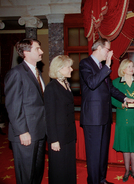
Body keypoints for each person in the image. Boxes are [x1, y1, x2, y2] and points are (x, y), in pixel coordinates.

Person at [79, 38, 134, 184]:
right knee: (94, 154)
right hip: (93, 118)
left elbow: (110, 89)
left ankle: (101, 179)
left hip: (104, 117)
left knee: (102, 153)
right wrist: (107, 66)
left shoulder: (100, 66)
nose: (110, 53)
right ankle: (93, 181)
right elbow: (92, 83)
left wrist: (126, 99)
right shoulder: (85, 63)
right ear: (99, 48)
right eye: (108, 50)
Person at [4, 38, 46, 184]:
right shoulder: (16, 73)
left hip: (39, 131)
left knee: (37, 171)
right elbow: (13, 105)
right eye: (37, 49)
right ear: (26, 52)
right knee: (26, 174)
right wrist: (22, 131)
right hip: (26, 132)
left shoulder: (37, 72)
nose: (41, 52)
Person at [111, 59, 134, 183]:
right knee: (125, 146)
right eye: (129, 66)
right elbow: (112, 99)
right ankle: (127, 171)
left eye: (133, 66)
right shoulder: (116, 82)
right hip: (123, 118)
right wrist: (123, 105)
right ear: (123, 69)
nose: (132, 68)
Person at [44, 55, 76, 184]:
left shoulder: (66, 84)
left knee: (69, 168)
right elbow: (49, 116)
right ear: (59, 68)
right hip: (58, 137)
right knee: (59, 170)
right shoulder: (51, 88)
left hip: (68, 135)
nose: (72, 69)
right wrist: (53, 140)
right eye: (68, 66)